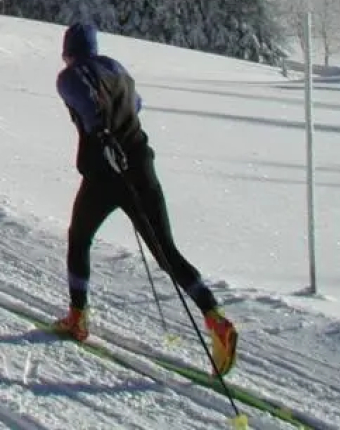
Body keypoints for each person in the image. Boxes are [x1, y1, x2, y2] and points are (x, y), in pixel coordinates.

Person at [52, 21, 238, 376]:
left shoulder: (70, 76)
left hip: (105, 175)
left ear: (70, 52)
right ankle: (216, 320)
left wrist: (101, 132)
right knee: (166, 252)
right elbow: (137, 102)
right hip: (140, 165)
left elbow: (83, 98)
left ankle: (77, 318)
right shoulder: (116, 68)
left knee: (79, 238)